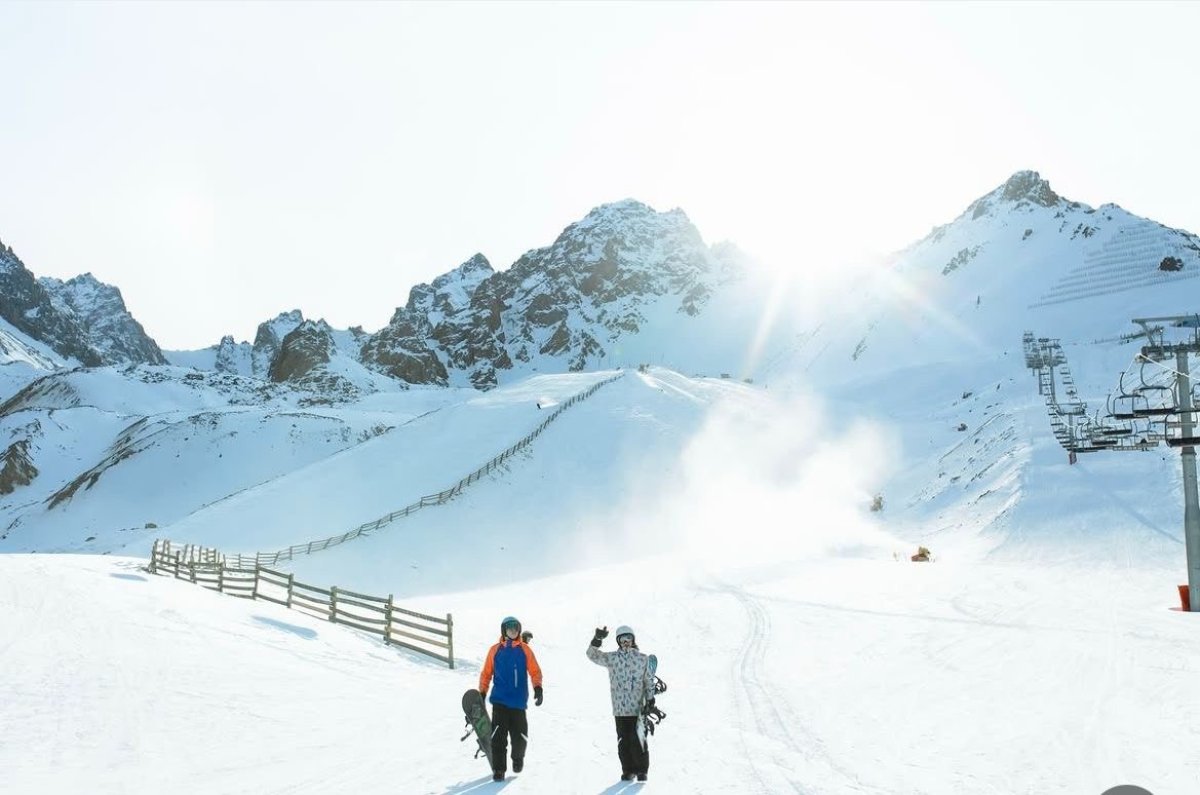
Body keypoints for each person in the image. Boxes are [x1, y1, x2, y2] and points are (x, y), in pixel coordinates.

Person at [586, 624, 656, 782]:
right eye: (622, 639)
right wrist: (597, 639)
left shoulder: (642, 659)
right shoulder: (612, 659)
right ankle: (628, 770)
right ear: (618, 641)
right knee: (623, 741)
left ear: (633, 640)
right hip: (619, 709)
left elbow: (648, 681)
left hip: (638, 709)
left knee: (638, 740)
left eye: (629, 638)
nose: (626, 641)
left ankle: (641, 771)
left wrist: (650, 699)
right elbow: (592, 655)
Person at [479, 616, 543, 781]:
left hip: (518, 702)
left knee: (520, 736)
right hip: (499, 701)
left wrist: (538, 688)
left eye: (516, 628)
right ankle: (499, 769)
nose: (513, 631)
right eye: (509, 628)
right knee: (498, 737)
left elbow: (535, 671)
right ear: (504, 630)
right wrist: (482, 692)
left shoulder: (525, 650)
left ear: (519, 631)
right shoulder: (495, 650)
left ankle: (518, 758)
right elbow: (486, 673)